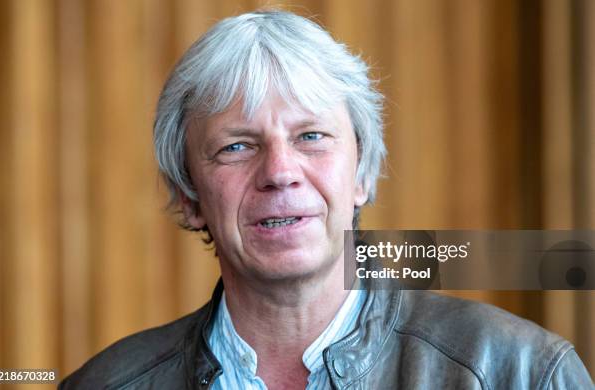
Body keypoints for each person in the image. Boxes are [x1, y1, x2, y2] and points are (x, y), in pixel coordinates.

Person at [60, 10, 593, 389]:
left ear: (361, 173)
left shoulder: (520, 371)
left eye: (311, 136)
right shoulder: (106, 384)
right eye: (237, 146)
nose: (280, 172)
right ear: (189, 195)